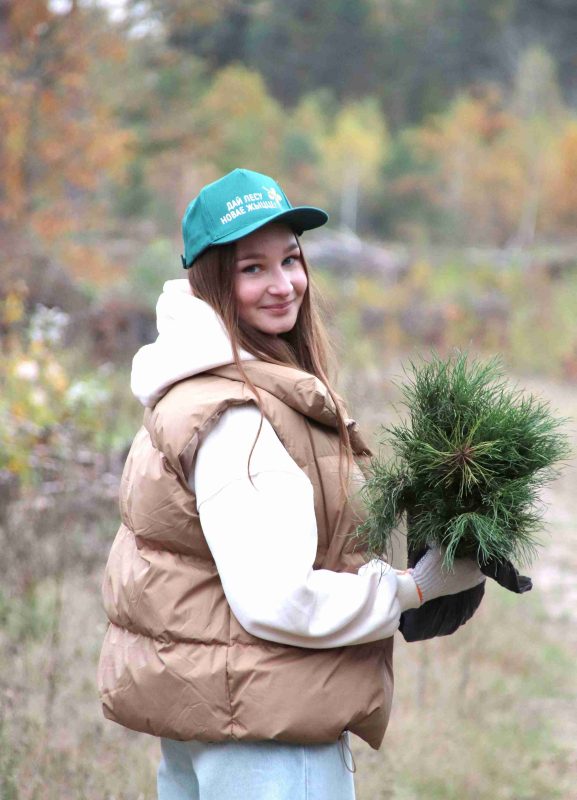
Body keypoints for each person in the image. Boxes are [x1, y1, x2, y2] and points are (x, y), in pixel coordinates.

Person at [97, 168, 485, 800]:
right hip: (266, 741)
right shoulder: (240, 415)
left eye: (291, 260)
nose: (283, 286)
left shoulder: (198, 386)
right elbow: (278, 600)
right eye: (252, 268)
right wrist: (414, 588)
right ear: (213, 280)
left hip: (220, 718)